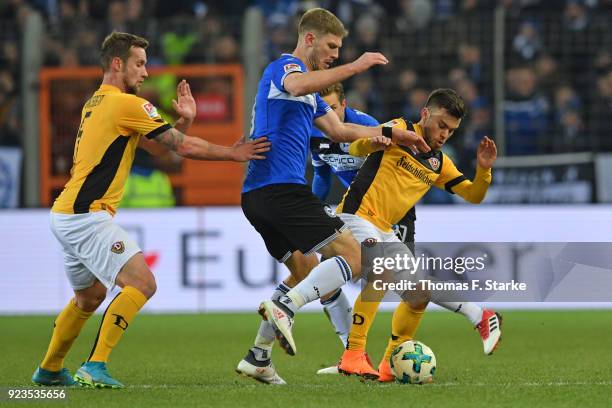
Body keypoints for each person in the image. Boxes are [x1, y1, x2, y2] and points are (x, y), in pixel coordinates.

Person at [32, 31, 270, 389]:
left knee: (90, 296)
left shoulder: (96, 102)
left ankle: (49, 369)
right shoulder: (127, 104)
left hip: (66, 213)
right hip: (86, 214)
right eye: (140, 64)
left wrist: (185, 119)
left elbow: (159, 148)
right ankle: (94, 365)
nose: (146, 72)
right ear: (117, 64)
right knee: (142, 283)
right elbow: (183, 147)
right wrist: (233, 154)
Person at [236, 8, 429, 385]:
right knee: (355, 256)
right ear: (309, 39)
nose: (336, 54)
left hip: (258, 196)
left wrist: (394, 135)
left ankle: (258, 356)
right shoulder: (285, 68)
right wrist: (356, 67)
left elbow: (340, 130)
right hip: (280, 187)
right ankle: (287, 309)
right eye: (331, 46)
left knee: (305, 270)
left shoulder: (311, 96)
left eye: (340, 49)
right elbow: (295, 86)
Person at [333, 88, 499, 381]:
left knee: (419, 293)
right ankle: (354, 353)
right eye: (441, 125)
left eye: (452, 130)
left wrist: (483, 170)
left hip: (385, 230)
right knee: (380, 269)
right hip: (355, 216)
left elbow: (473, 195)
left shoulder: (439, 163)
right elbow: (353, 149)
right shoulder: (400, 129)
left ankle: (478, 318)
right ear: (425, 114)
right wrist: (373, 141)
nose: (445, 134)